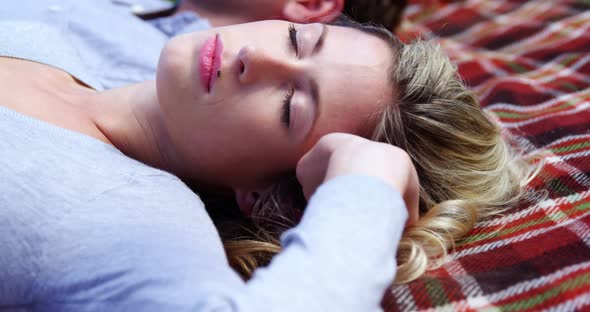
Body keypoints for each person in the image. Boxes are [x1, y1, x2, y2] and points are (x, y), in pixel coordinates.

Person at [0, 1, 536, 312]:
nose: (253, 57)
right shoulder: (129, 31)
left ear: (262, 198)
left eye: (289, 107)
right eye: (297, 40)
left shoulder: (123, 228)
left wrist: (366, 191)